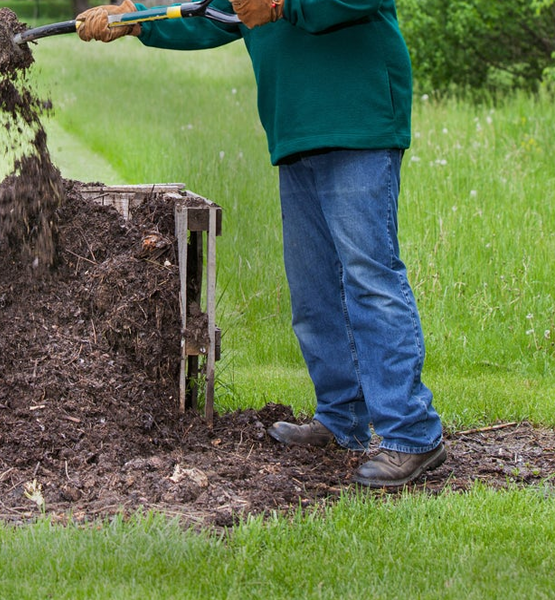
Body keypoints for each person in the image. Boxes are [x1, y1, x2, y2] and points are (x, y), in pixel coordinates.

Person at [75, 0, 446, 487]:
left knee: (369, 279)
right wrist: (134, 19)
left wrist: (284, 5)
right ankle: (342, 421)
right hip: (296, 130)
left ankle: (412, 434)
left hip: (358, 117)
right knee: (313, 290)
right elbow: (213, 14)